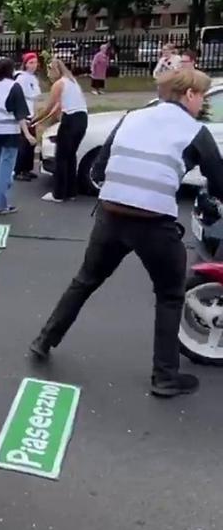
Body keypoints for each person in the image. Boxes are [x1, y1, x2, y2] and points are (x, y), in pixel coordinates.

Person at [29, 67, 223, 396]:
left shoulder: (131, 118)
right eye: (201, 96)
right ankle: (164, 377)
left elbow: (100, 168)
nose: (201, 103)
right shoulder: (194, 131)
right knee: (170, 295)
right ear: (189, 94)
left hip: (110, 216)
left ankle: (43, 341)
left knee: (85, 280)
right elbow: (218, 180)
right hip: (154, 224)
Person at [0, 58, 35, 215]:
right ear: (11, 71)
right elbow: (20, 114)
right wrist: (27, 134)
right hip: (8, 131)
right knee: (6, 167)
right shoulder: (14, 87)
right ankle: (1, 204)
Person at [33, 58, 88, 203]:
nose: (49, 73)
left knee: (61, 157)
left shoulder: (59, 84)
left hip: (70, 120)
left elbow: (49, 107)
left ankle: (58, 194)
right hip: (82, 119)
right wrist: (41, 120)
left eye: (50, 70)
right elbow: (57, 108)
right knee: (70, 156)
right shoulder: (72, 81)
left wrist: (34, 120)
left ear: (55, 70)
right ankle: (71, 191)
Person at [14, 53, 41, 180]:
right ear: (25, 64)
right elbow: (19, 99)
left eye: (35, 62)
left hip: (31, 114)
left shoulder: (33, 78)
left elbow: (35, 98)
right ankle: (19, 170)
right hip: (23, 114)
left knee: (32, 143)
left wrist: (35, 114)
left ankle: (27, 168)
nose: (33, 65)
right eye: (30, 63)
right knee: (23, 143)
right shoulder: (21, 78)